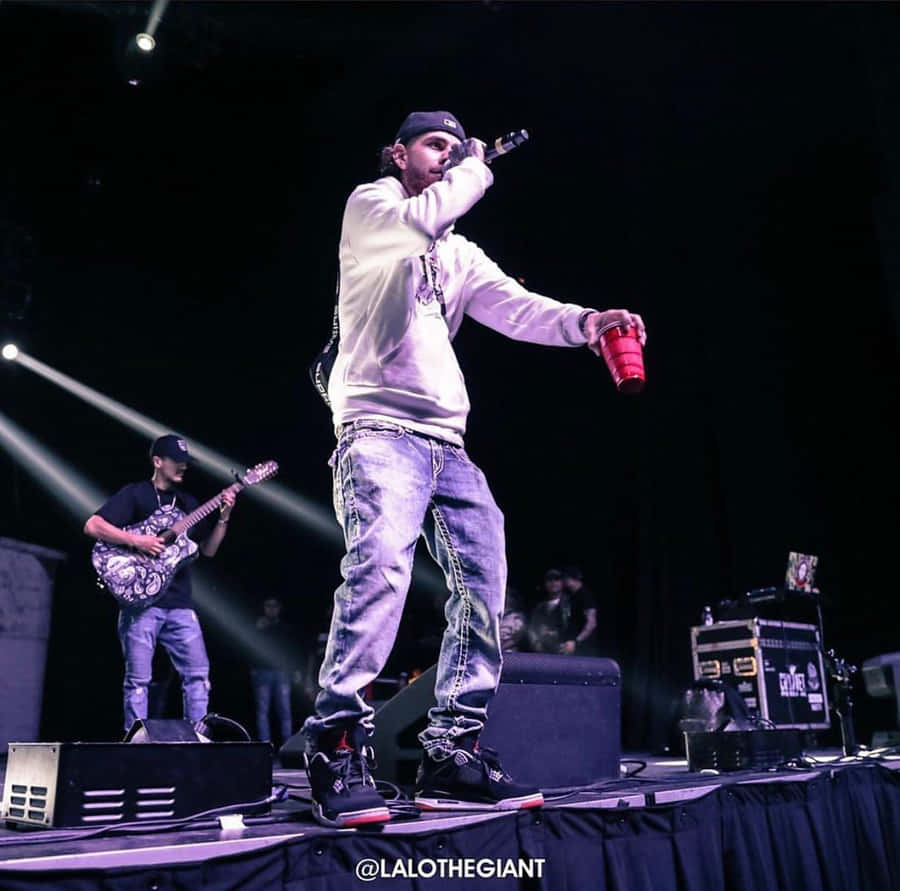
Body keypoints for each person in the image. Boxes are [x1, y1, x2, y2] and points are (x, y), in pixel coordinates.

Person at [301, 109, 646, 828]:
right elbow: (423, 220)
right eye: (436, 145)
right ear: (398, 153)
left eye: (457, 149)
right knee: (379, 574)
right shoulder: (373, 207)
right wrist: (476, 167)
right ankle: (335, 743)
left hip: (448, 443)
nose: (449, 157)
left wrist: (587, 323)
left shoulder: (458, 252)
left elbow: (516, 307)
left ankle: (451, 752)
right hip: (378, 429)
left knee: (485, 588)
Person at [84, 434, 236, 734]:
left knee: (198, 676)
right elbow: (93, 525)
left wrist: (224, 517)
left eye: (186, 462)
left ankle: (197, 740)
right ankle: (135, 741)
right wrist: (136, 540)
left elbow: (208, 550)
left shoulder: (189, 504)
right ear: (157, 461)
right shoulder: (136, 494)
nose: (183, 466)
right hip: (140, 605)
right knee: (138, 681)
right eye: (176, 461)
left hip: (180, 605)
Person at [250, 596, 299, 747]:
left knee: (285, 711)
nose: (271, 609)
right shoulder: (257, 628)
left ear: (279, 608)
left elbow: (290, 650)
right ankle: (265, 746)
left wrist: (294, 670)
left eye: (274, 606)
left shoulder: (285, 628)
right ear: (264, 608)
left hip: (282, 673)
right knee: (262, 711)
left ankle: (287, 746)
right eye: (268, 606)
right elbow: (250, 648)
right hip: (262, 672)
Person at [560, 565, 599, 655]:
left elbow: (592, 623)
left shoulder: (585, 596)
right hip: (571, 644)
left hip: (584, 647)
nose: (563, 581)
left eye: (565, 578)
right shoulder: (571, 595)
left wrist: (576, 641)